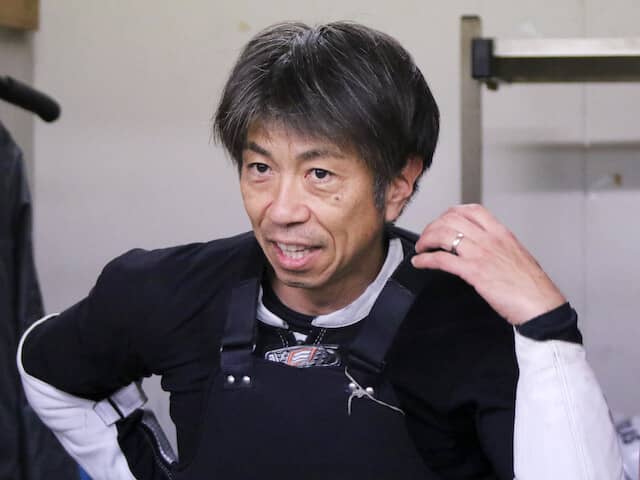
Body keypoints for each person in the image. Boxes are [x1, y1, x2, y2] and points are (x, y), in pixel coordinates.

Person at [17, 21, 623, 480]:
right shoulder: (170, 289)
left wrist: (546, 327)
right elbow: (45, 369)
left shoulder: (470, 319)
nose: (281, 209)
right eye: (260, 168)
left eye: (320, 175)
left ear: (398, 184)